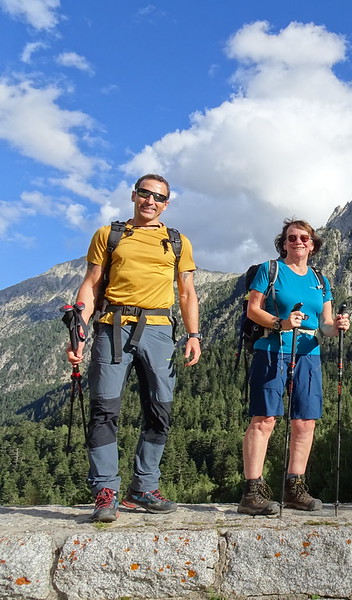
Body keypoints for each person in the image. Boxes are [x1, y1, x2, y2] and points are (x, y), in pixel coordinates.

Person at [66, 174, 201, 523]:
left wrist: (194, 334)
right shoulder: (109, 235)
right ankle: (105, 491)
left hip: (159, 329)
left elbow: (186, 292)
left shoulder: (176, 241)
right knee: (104, 409)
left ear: (166, 203)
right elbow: (91, 284)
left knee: (160, 410)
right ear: (133, 195)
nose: (150, 201)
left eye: (158, 197)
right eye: (145, 193)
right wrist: (79, 332)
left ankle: (144, 487)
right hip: (112, 327)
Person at [238, 218, 350, 516]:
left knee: (305, 421)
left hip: (309, 354)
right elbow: (253, 309)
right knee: (264, 419)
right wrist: (280, 323)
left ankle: (294, 488)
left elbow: (324, 325)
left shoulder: (320, 280)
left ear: (312, 246)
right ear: (283, 243)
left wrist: (337, 327)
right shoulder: (269, 270)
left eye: (304, 238)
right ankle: (252, 491)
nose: (297, 242)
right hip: (272, 350)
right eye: (291, 238)